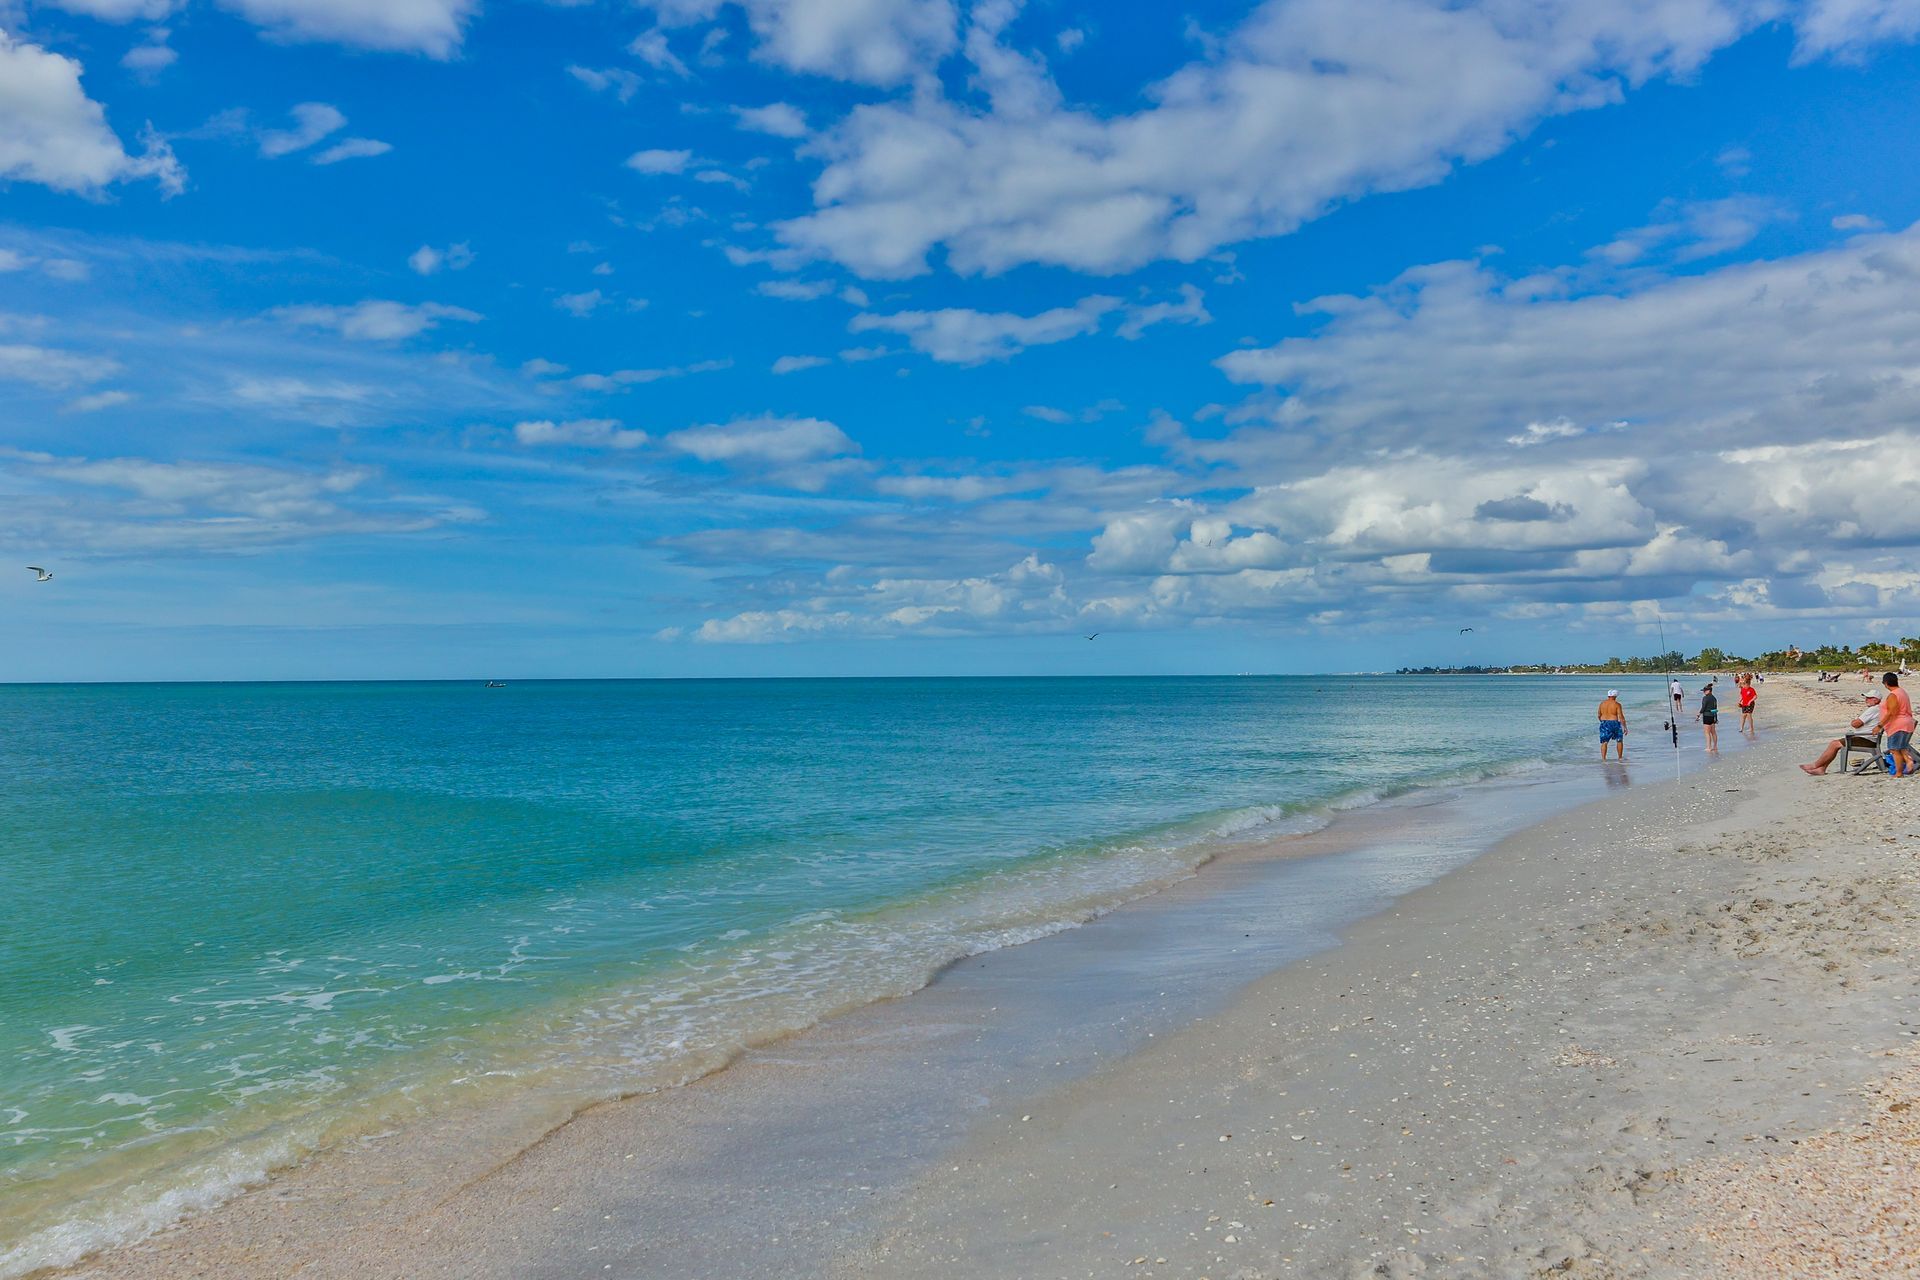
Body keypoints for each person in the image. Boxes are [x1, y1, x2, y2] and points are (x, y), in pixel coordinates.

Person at [1800, 695, 1882, 775]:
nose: (1866, 700)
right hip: (1868, 738)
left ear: (1876, 700)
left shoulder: (1873, 710)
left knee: (1834, 744)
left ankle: (1816, 765)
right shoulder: (1879, 709)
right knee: (1835, 743)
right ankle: (1821, 768)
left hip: (1866, 739)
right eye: (1866, 698)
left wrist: (1854, 721)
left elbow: (1856, 724)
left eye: (1869, 698)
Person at [1883, 672, 1914, 777]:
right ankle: (1909, 762)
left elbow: (1891, 712)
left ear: (1886, 683)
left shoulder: (1893, 694)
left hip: (1898, 724)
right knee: (1901, 747)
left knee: (1894, 749)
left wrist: (1879, 725)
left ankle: (1899, 772)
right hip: (1907, 722)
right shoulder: (1902, 692)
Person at [1597, 688, 1627, 761]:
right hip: (1614, 723)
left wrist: (1603, 722)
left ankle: (1604, 759)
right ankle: (1620, 758)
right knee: (1619, 740)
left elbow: (1598, 715)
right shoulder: (1617, 704)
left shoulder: (1602, 703)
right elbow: (1621, 716)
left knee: (1604, 742)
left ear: (1608, 695)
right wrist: (1625, 727)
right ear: (1615, 696)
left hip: (1604, 722)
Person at [1695, 683, 1719, 754]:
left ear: (1709, 691)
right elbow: (1715, 708)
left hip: (1707, 716)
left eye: (1705, 691)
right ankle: (1715, 747)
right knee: (1713, 732)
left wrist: (1699, 714)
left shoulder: (1705, 698)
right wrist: (1716, 718)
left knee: (1707, 732)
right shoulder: (1714, 698)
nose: (1704, 692)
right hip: (1713, 716)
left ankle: (1709, 747)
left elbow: (1703, 707)